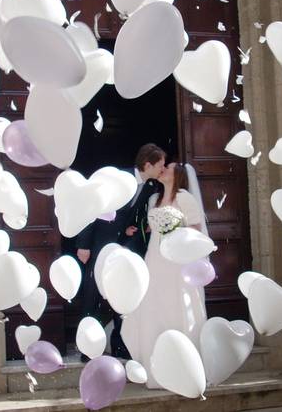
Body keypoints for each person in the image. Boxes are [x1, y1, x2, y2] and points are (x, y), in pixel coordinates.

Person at [121, 162, 208, 388]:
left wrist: (176, 230)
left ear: (177, 175)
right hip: (155, 259)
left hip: (177, 261)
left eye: (167, 168)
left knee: (176, 305)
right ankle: (156, 369)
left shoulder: (185, 198)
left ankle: (183, 367)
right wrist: (137, 229)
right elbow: (152, 228)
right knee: (154, 307)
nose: (163, 170)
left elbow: (197, 229)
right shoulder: (154, 199)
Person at [75, 143, 166, 360]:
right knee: (93, 296)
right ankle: (88, 348)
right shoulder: (119, 178)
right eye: (160, 165)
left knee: (120, 294)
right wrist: (83, 244)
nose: (163, 169)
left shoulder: (148, 186)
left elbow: (125, 214)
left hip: (121, 247)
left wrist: (126, 231)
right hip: (98, 245)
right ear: (147, 164)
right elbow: (94, 208)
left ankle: (118, 345)